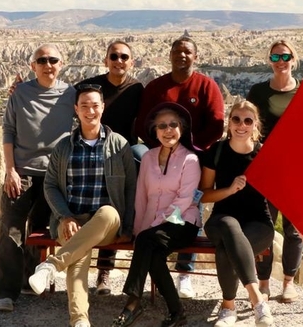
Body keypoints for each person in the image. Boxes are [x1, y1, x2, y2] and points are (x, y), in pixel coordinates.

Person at [28, 84, 137, 327]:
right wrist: (65, 217)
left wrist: (127, 226)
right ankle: (80, 321)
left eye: (95, 105)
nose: (90, 111)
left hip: (106, 224)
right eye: (84, 106)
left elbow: (131, 188)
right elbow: (51, 186)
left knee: (108, 212)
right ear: (76, 109)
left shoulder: (119, 145)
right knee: (78, 256)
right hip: (70, 221)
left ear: (103, 108)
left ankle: (51, 265)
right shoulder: (64, 147)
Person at [135, 36, 224, 298]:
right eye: (177, 51)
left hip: (195, 156)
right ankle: (146, 232)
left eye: (187, 52)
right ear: (170, 54)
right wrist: (160, 147)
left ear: (195, 56)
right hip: (160, 152)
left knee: (190, 203)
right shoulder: (156, 87)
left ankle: (185, 270)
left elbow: (217, 124)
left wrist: (193, 150)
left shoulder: (206, 86)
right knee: (137, 159)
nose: (182, 56)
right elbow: (143, 123)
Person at [0, 44, 76, 313]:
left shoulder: (70, 93)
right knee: (11, 230)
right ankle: (6, 292)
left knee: (39, 229)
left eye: (53, 59)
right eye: (42, 60)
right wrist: (10, 170)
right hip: (23, 172)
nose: (48, 64)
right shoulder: (21, 93)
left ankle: (29, 280)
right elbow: (8, 131)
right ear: (33, 66)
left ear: (61, 64)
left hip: (55, 174)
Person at [112, 102, 202, 327]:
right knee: (152, 252)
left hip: (182, 222)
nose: (168, 130)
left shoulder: (190, 160)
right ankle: (176, 312)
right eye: (162, 126)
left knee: (148, 241)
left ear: (181, 128)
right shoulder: (149, 158)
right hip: (153, 229)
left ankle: (133, 303)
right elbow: (141, 197)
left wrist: (152, 228)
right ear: (155, 130)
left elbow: (185, 200)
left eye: (173, 124)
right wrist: (139, 230)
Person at [74, 40, 143, 295]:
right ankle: (78, 267)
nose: (119, 61)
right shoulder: (91, 86)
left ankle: (104, 272)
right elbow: (61, 104)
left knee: (115, 207)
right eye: (114, 56)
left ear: (131, 62)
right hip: (91, 152)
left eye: (124, 56)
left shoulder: (136, 88)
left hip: (121, 154)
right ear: (106, 60)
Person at [200, 100, 274, 327]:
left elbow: (282, 188)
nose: (241, 125)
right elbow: (203, 194)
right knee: (230, 227)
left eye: (248, 120)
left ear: (255, 125)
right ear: (229, 122)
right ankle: (257, 300)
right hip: (221, 220)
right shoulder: (217, 151)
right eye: (236, 119)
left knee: (226, 250)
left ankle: (228, 306)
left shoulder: (264, 154)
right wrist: (230, 190)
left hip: (258, 224)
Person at [247, 39, 303, 303]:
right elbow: (248, 126)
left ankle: (289, 283)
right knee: (264, 227)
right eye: (276, 57)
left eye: (285, 57)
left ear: (294, 60)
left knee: (293, 229)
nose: (281, 62)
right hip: (265, 167)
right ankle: (264, 282)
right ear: (270, 60)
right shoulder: (258, 92)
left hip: (296, 168)